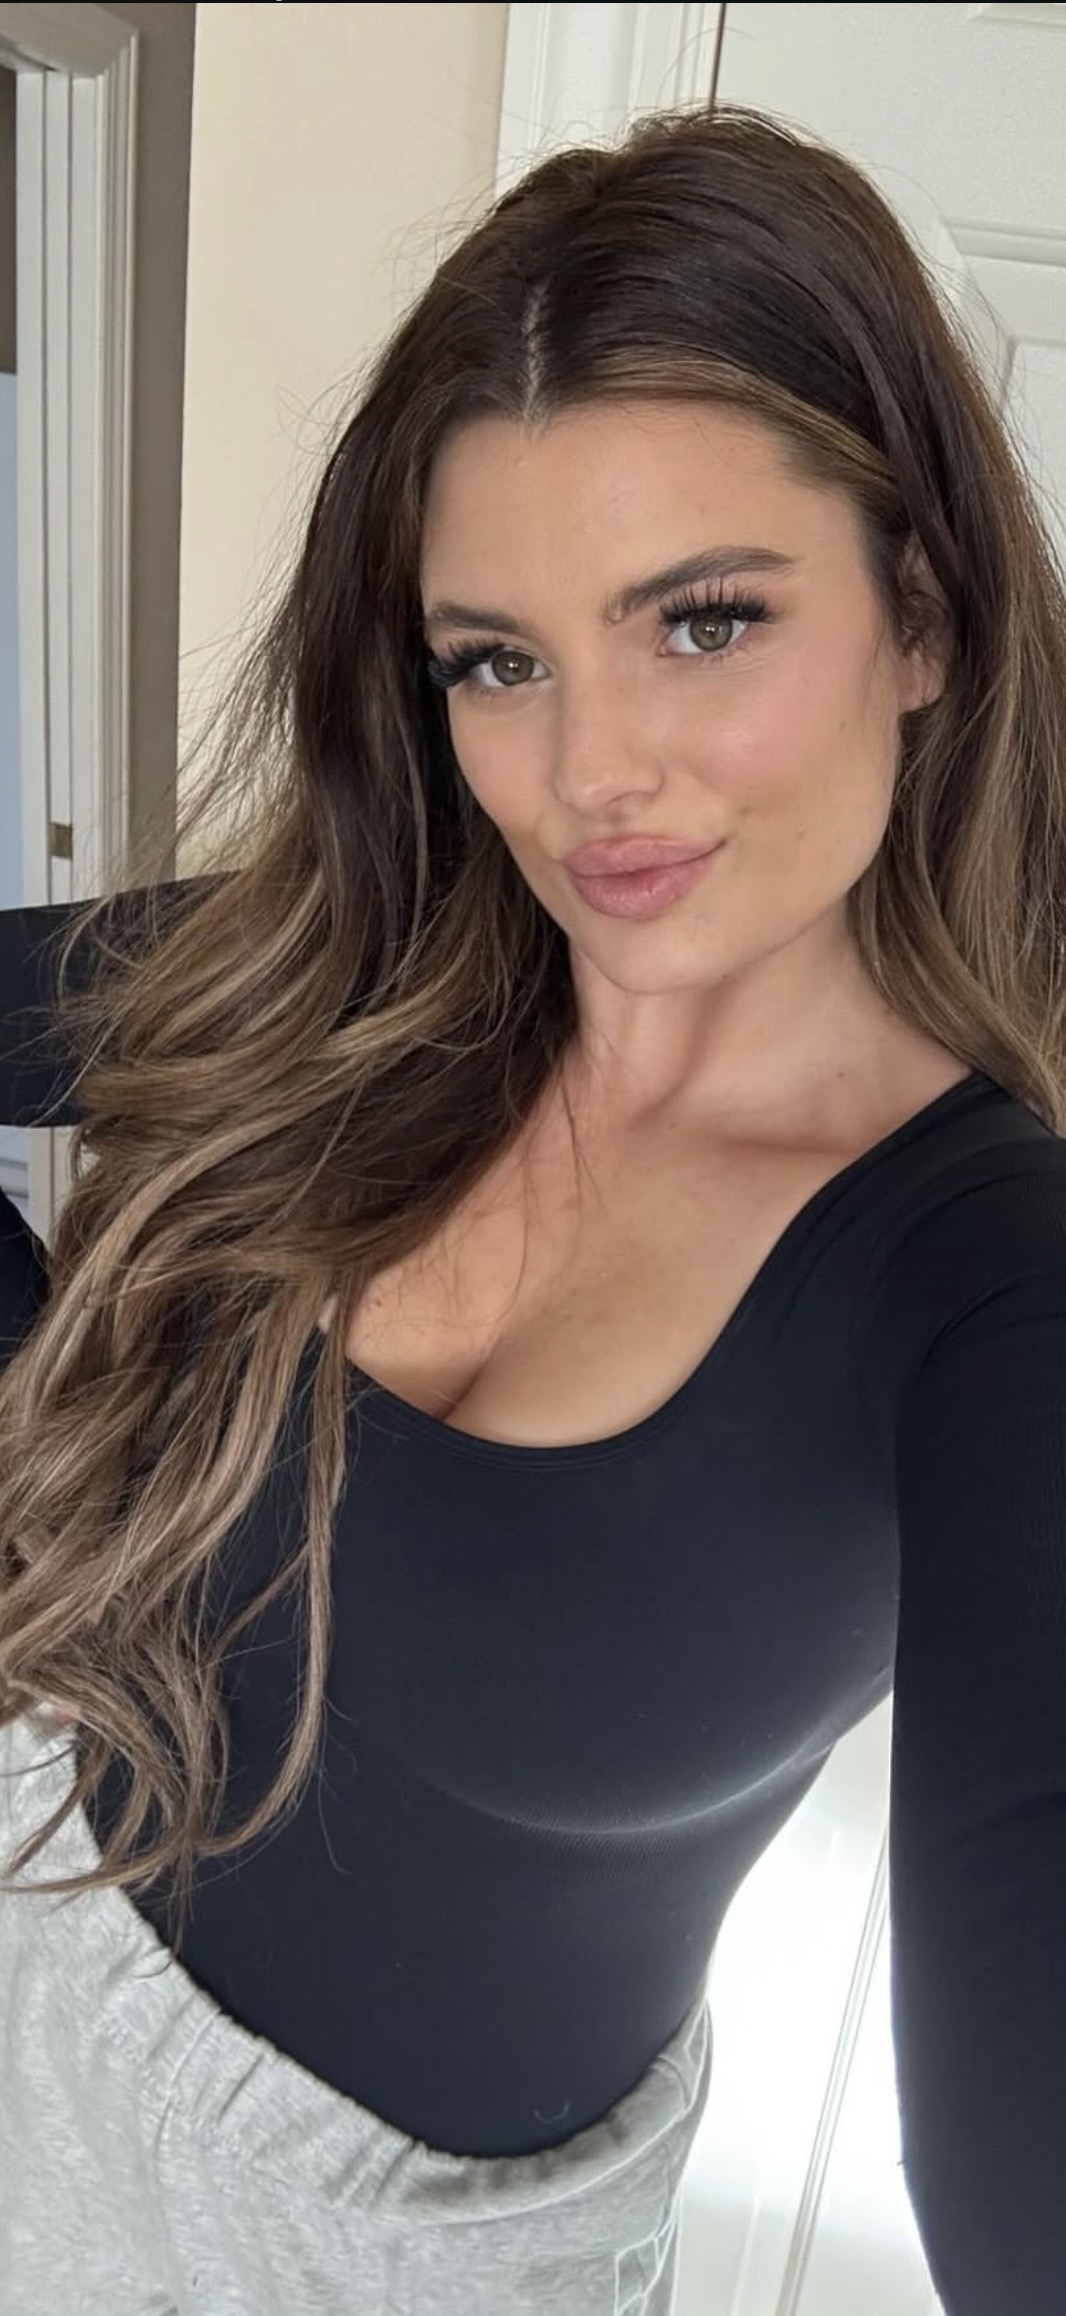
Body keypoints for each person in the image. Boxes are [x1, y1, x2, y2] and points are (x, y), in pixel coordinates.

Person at [0, 97, 1064, 2316]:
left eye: (703, 622)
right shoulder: (360, 979)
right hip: (36, 1965)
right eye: (497, 658)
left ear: (923, 615)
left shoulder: (983, 1281)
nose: (587, 778)